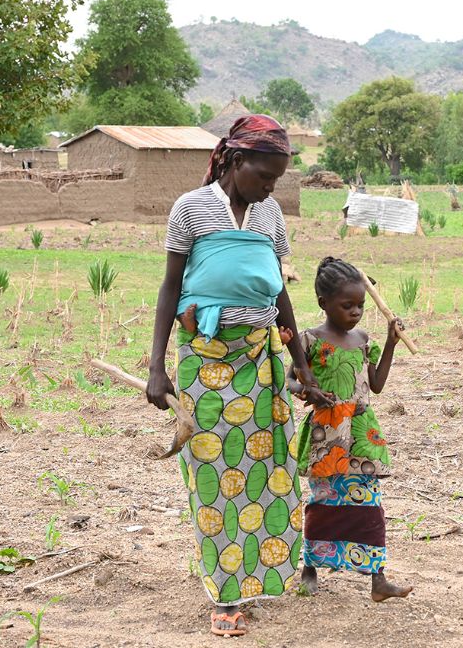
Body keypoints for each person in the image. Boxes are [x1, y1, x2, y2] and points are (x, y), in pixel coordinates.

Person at [145, 114, 329, 637]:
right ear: (234, 160)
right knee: (212, 474)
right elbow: (170, 287)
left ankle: (256, 578)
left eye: (277, 179)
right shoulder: (191, 209)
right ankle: (224, 592)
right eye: (265, 176)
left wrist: (302, 362)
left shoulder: (270, 215)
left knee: (268, 470)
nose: (272, 188)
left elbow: (278, 290)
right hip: (205, 359)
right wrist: (157, 365)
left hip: (259, 360)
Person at [288, 256, 413, 602]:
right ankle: (310, 568)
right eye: (347, 306)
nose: (356, 312)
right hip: (326, 434)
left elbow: (376, 385)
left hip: (360, 432)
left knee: (368, 505)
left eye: (360, 305)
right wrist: (308, 391)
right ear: (323, 304)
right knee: (323, 500)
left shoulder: (362, 339)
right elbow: (290, 382)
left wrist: (390, 343)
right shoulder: (309, 340)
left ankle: (378, 579)